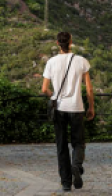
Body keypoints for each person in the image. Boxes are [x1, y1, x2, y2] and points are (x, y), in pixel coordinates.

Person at [41, 31, 94, 192]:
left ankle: (65, 182)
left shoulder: (51, 62)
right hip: (76, 108)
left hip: (59, 109)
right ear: (71, 42)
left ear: (57, 43)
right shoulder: (81, 61)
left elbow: (44, 89)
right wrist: (91, 106)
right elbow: (89, 89)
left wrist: (54, 95)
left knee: (61, 145)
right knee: (79, 142)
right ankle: (76, 166)